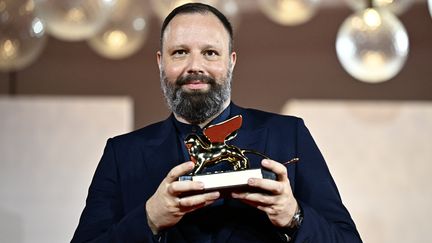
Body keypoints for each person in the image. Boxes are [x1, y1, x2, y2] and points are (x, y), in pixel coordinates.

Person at [71, 3, 362, 243]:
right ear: (161, 62)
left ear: (231, 61)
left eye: (210, 53)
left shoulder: (289, 135)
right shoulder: (122, 154)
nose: (195, 66)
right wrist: (149, 218)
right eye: (180, 52)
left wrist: (294, 216)